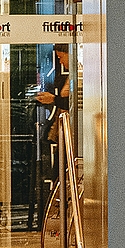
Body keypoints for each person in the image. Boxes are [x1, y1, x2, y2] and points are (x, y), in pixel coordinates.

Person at [34, 43, 72, 231]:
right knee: (58, 171)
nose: (60, 61)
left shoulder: (77, 76)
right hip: (62, 133)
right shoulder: (70, 77)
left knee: (61, 172)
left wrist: (53, 99)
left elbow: (73, 102)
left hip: (70, 135)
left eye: (61, 56)